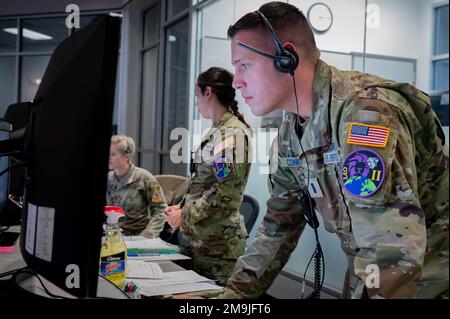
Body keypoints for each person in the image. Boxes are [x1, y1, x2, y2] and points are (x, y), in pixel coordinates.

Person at [216, 1, 449, 299]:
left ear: (286, 57)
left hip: (426, 283)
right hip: (367, 278)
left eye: (244, 65)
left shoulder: (367, 114)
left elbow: (389, 254)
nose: (236, 82)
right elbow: (278, 227)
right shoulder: (291, 132)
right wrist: (231, 299)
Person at [164, 67, 253, 286]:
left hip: (218, 251)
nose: (196, 102)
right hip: (198, 242)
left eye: (197, 95)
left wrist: (185, 215)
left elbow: (224, 196)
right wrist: (181, 207)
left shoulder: (233, 135)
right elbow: (202, 184)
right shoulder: (216, 132)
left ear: (208, 93)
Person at [106, 135, 167, 238]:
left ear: (127, 156)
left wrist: (148, 235)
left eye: (113, 154)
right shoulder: (108, 179)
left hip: (138, 237)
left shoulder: (145, 178)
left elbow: (160, 210)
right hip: (111, 236)